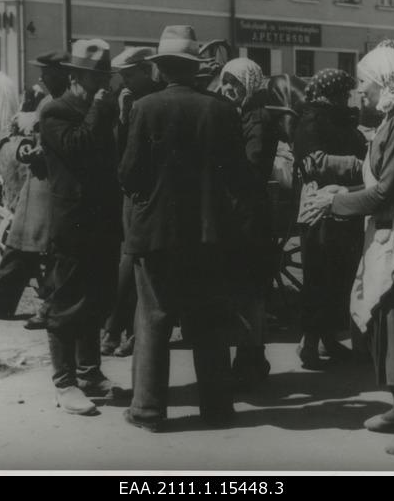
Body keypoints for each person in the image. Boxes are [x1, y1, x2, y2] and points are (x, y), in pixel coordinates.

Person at [301, 46, 394, 455]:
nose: (359, 92)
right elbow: (373, 173)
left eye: (364, 83)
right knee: (391, 322)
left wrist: (334, 202)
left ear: (385, 81)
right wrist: (337, 181)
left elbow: (388, 189)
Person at [119, 25, 248, 431]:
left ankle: (149, 410)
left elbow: (129, 174)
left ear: (160, 68)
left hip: (157, 231)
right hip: (210, 234)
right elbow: (240, 177)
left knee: (154, 319)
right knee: (209, 321)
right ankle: (217, 409)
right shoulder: (222, 110)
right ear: (194, 69)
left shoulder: (145, 108)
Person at [38, 40, 123, 415]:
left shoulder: (99, 108)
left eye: (104, 75)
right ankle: (64, 383)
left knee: (97, 299)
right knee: (66, 302)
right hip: (72, 222)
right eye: (94, 76)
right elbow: (80, 148)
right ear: (75, 76)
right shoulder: (57, 111)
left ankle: (89, 373)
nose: (102, 83)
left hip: (103, 220)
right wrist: (102, 110)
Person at [0, 51, 70, 326]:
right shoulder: (47, 101)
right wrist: (26, 148)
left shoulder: (68, 103)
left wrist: (39, 151)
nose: (42, 77)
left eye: (47, 71)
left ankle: (51, 308)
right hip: (35, 185)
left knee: (53, 251)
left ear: (63, 72)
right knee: (17, 246)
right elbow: (35, 138)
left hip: (55, 188)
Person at [293, 69, 367, 369]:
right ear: (332, 93)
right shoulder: (311, 119)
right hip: (319, 208)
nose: (349, 98)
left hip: (343, 205)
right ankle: (308, 343)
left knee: (339, 277)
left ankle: (328, 340)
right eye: (345, 92)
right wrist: (360, 165)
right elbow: (315, 161)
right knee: (318, 277)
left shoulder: (339, 118)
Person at [101, 46, 163, 357]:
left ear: (144, 71)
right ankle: (117, 329)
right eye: (121, 76)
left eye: (129, 75)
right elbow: (118, 148)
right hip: (131, 190)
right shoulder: (123, 100)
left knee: (138, 260)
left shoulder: (156, 98)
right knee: (130, 259)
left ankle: (127, 332)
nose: (124, 81)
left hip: (151, 191)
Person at [218, 57, 275, 388]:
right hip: (240, 211)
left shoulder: (259, 119)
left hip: (250, 216)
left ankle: (252, 360)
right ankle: (250, 358)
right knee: (242, 288)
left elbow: (252, 168)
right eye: (225, 82)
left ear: (249, 86)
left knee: (249, 289)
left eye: (235, 84)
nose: (228, 89)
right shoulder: (242, 115)